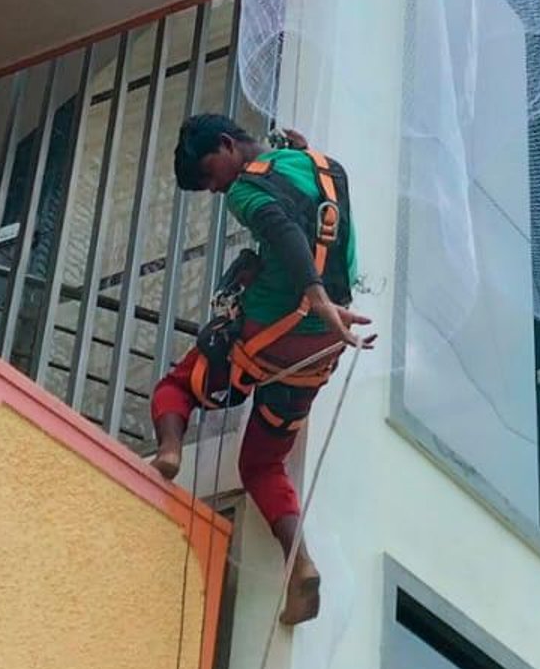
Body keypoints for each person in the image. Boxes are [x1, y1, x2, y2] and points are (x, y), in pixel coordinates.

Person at [149, 113, 373, 625]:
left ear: (228, 145)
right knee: (262, 464)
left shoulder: (246, 192)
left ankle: (168, 451)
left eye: (210, 174)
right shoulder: (323, 166)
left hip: (271, 334)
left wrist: (313, 296)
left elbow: (282, 227)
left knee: (176, 387)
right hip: (316, 355)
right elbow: (314, 219)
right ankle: (302, 565)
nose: (214, 188)